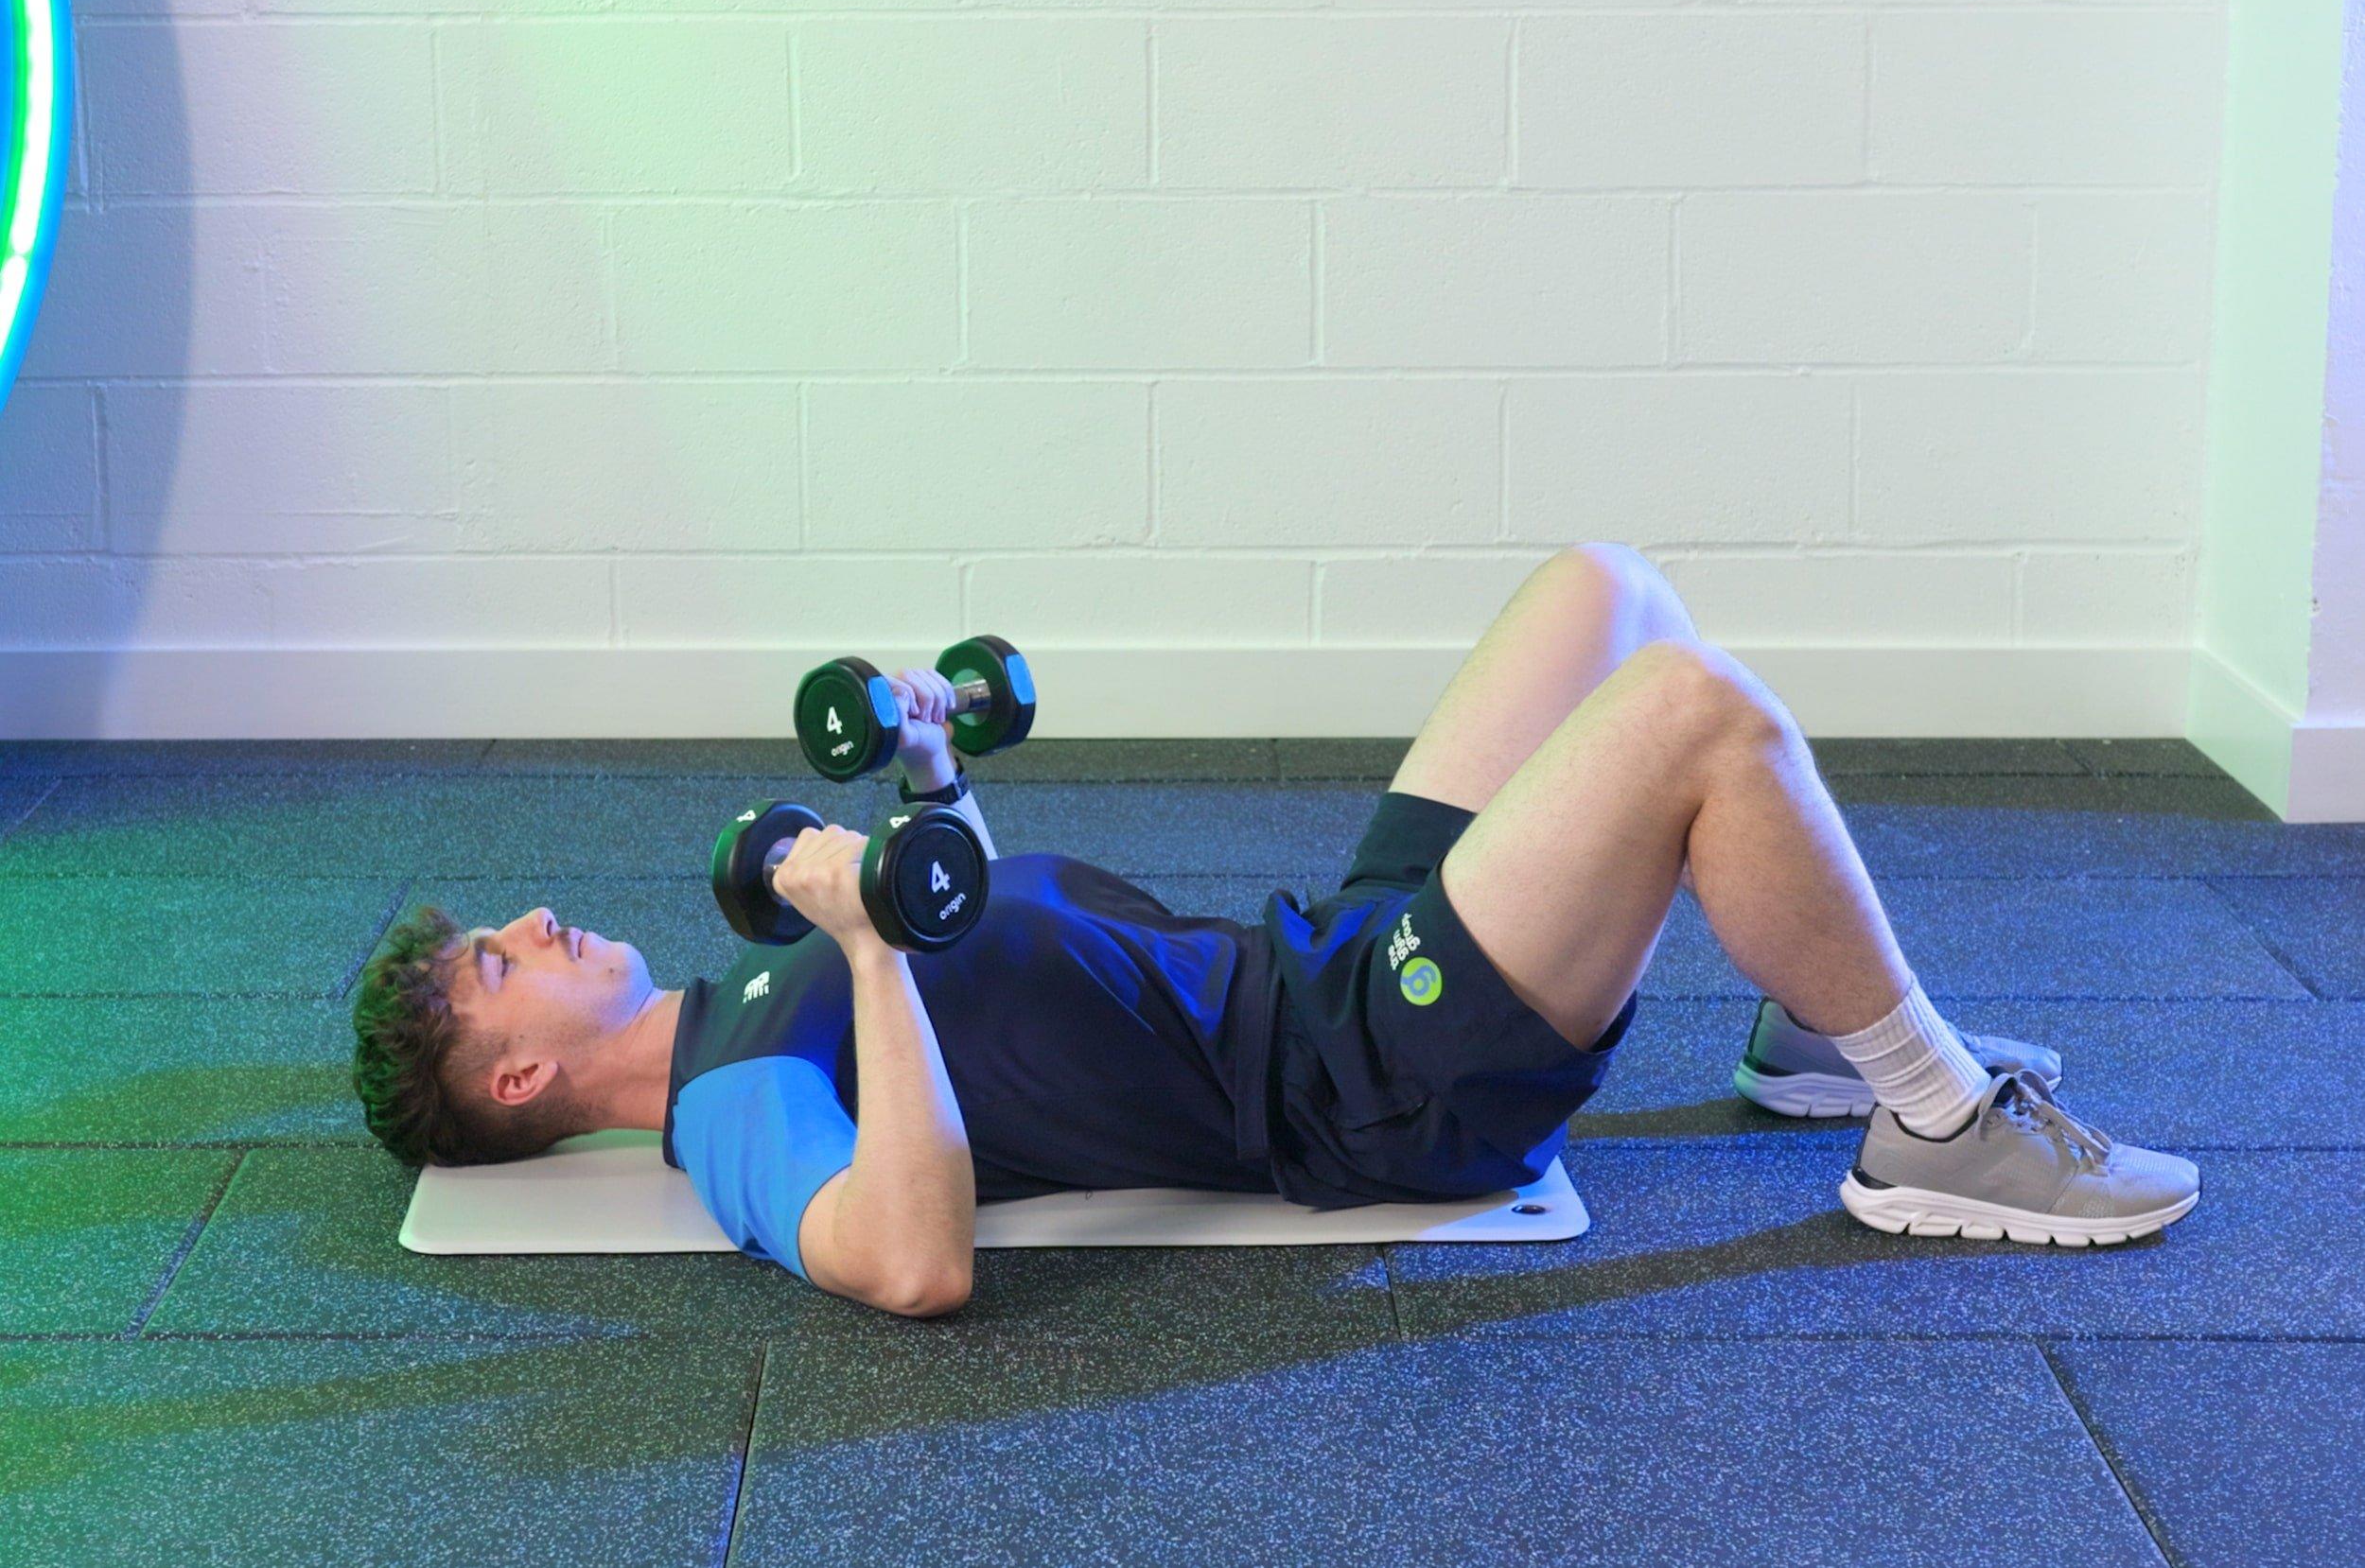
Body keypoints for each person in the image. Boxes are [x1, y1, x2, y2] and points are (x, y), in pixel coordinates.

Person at [351, 544, 2201, 1319]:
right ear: (515, 1080)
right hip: (1364, 1084)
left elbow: (977, 951)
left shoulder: (767, 961)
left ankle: (1810, 1028)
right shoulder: (731, 1108)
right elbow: (908, 1260)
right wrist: (872, 950)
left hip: (1322, 957)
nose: (534, 919)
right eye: (497, 964)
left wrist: (928, 785)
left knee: (1603, 591)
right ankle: (1927, 1120)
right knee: (1691, 717)